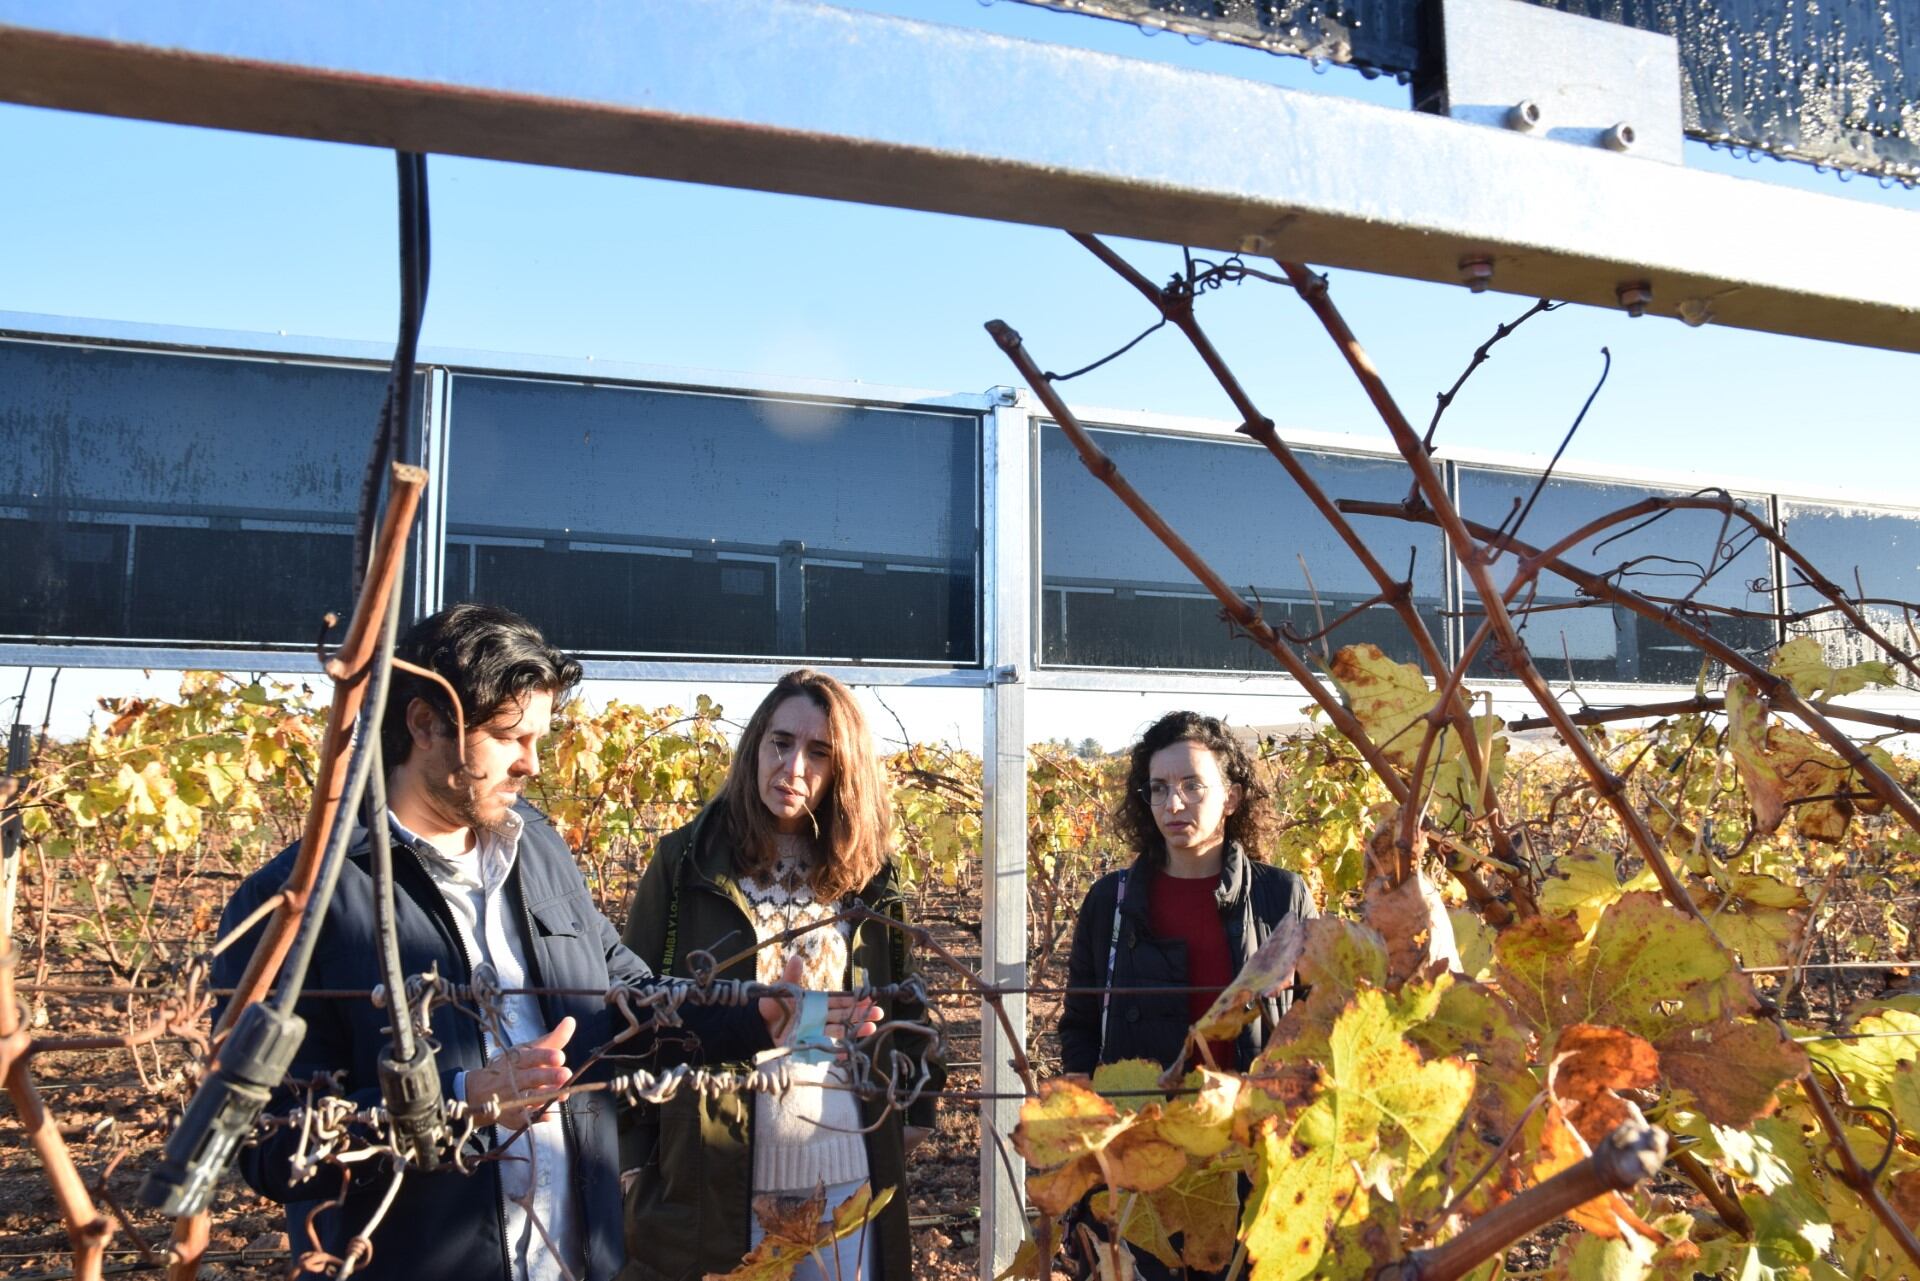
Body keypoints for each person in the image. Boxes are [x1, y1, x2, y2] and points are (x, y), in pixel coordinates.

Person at [211, 604, 856, 1281]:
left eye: (540, 738)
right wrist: (460, 1098)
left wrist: (756, 1013)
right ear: (425, 723)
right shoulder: (294, 904)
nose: (531, 764)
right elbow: (267, 1142)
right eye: (509, 737)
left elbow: (624, 1002)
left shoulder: (538, 846)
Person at [619, 669, 944, 1281]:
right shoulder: (685, 863)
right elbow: (634, 1010)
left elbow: (908, 1005)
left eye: (819, 752)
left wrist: (914, 1117)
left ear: (844, 770)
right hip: (716, 1165)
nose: (794, 766)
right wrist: (634, 1157)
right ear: (756, 748)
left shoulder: (870, 877)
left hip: (849, 1167)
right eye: (780, 742)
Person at [1056, 711, 1313, 1280]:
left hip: (1249, 1150)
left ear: (1232, 797)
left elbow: (1311, 1022)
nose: (1174, 803)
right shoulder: (1112, 902)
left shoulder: (1281, 896)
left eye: (1193, 785)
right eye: (1160, 788)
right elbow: (1078, 1023)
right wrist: (1092, 1112)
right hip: (1144, 1151)